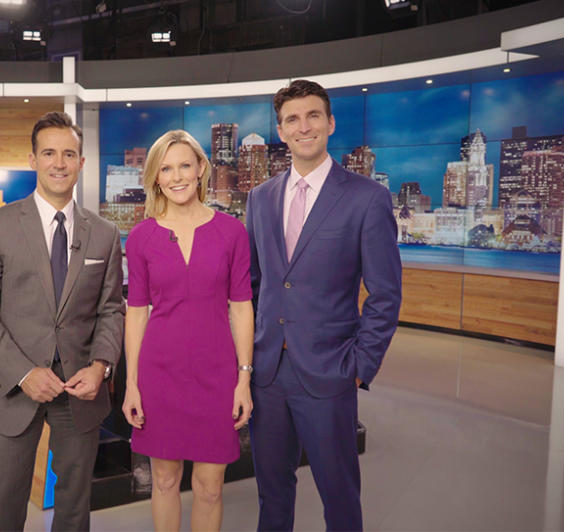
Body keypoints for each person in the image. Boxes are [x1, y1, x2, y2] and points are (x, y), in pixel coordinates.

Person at [246, 79, 402, 531]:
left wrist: (359, 365)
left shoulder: (367, 198)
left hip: (331, 371)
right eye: (292, 119)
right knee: (272, 495)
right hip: (268, 372)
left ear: (330, 123)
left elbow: (385, 294)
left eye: (313, 115)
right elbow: (255, 285)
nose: (304, 126)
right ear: (281, 131)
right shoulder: (260, 198)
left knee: (339, 497)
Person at [0, 111, 125, 531]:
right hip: (11, 391)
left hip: (79, 391)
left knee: (73, 509)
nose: (59, 162)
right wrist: (23, 373)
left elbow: (111, 308)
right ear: (32, 159)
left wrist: (101, 365)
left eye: (69, 153)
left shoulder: (103, 234)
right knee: (0, 509)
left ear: (81, 162)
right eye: (49, 152)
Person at [121, 130, 254, 531]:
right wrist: (131, 383)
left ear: (200, 170)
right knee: (163, 480)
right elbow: (136, 312)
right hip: (159, 374)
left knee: (210, 487)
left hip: (217, 374)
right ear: (155, 177)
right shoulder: (142, 237)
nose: (176, 176)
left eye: (184, 165)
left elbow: (242, 307)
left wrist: (244, 378)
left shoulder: (232, 232)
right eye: (166, 168)